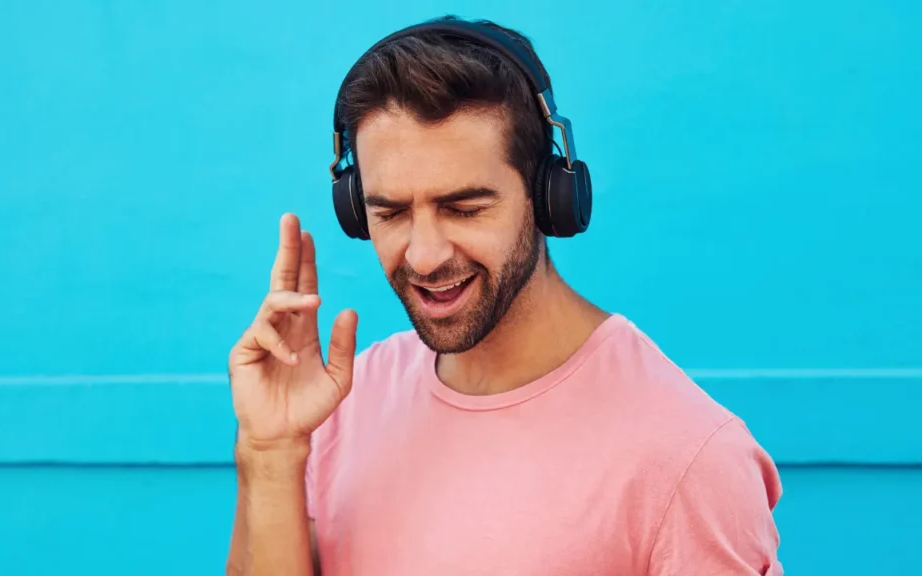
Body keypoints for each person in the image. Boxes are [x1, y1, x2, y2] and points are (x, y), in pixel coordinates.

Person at [226, 15, 783, 576]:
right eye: (390, 213)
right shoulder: (344, 401)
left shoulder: (689, 457)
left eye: (465, 208)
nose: (423, 255)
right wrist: (270, 453)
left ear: (550, 197)